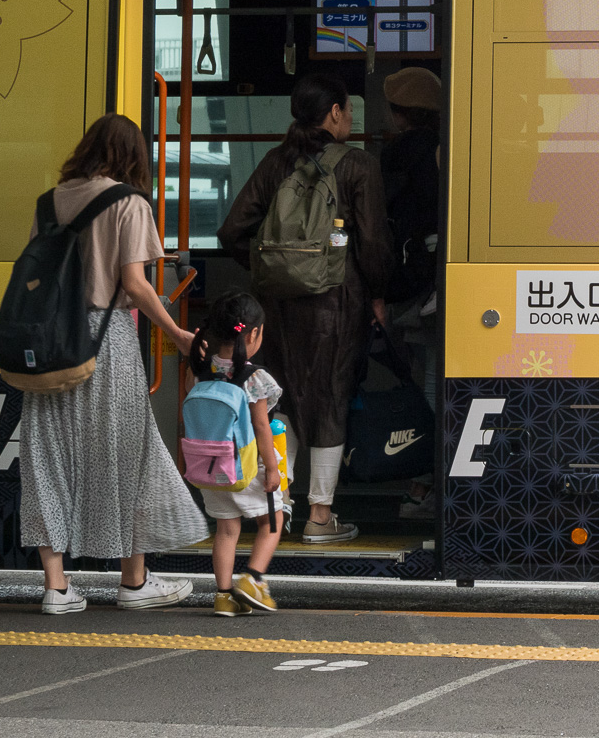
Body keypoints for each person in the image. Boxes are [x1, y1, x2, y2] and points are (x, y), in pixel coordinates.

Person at [20, 114, 205, 615]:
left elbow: (33, 274)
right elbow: (137, 283)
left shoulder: (50, 201)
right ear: (133, 156)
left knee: (49, 460)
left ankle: (56, 588)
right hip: (109, 341)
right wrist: (177, 333)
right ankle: (133, 580)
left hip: (52, 344)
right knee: (129, 454)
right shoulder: (129, 201)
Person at [218, 72, 391, 545]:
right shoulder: (357, 166)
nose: (350, 119)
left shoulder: (277, 162)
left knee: (282, 399)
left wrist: (270, 267)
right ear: (335, 112)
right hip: (337, 301)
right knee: (330, 399)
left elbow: (233, 230)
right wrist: (380, 292)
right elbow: (374, 244)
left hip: (277, 304)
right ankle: (319, 516)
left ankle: (277, 506)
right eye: (348, 110)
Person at [187, 292, 284, 615]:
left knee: (227, 530)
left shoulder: (200, 369)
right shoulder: (254, 377)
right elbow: (261, 427)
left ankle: (224, 595)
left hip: (209, 466)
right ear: (253, 333)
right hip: (247, 466)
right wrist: (271, 468)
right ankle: (253, 579)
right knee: (273, 520)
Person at [379, 67, 444, 521]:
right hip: (434, 280)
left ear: (400, 114)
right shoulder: (444, 152)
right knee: (435, 380)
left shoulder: (389, 159)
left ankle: (421, 482)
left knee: (423, 377)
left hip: (402, 281)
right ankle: (428, 482)